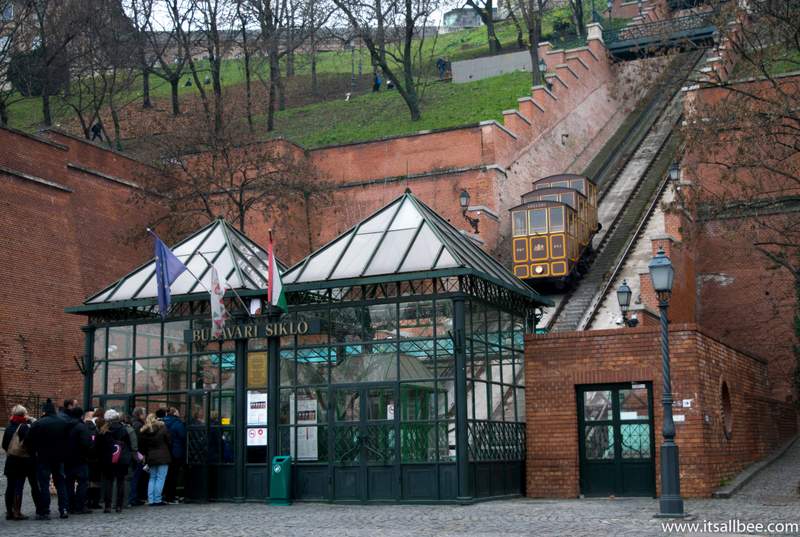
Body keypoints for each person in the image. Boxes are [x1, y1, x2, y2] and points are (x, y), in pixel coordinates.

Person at [27, 398, 69, 520]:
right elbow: (68, 441)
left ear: (44, 411)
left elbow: (29, 442)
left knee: (44, 484)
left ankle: (45, 510)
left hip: (43, 457)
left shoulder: (38, 423)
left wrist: (33, 453)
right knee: (61, 483)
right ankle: (64, 509)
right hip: (59, 457)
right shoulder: (63, 423)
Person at [3, 405, 35, 520]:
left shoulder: (9, 426)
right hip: (21, 461)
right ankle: (17, 512)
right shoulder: (24, 427)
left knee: (10, 486)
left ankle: (9, 512)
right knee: (18, 486)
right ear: (23, 414)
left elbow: (4, 444)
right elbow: (29, 444)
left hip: (10, 460)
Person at [97, 409, 132, 513]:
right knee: (120, 482)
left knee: (108, 482)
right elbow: (128, 445)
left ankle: (107, 506)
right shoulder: (123, 429)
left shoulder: (103, 430)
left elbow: (99, 447)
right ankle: (118, 506)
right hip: (121, 459)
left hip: (108, 460)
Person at [64, 407, 93, 515]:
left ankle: (69, 505)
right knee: (82, 483)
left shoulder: (65, 426)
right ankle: (79, 506)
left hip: (67, 459)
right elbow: (87, 444)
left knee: (69, 483)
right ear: (81, 416)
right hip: (80, 459)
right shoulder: (82, 427)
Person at [138, 414, 171, 506]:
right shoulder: (163, 428)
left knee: (152, 478)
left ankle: (151, 500)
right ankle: (157, 499)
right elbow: (169, 441)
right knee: (161, 478)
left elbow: (142, 446)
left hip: (151, 457)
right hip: (163, 456)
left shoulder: (144, 431)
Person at [161, 407, 186, 503]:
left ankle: (164, 495)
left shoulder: (162, 422)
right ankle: (171, 496)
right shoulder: (177, 423)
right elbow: (183, 436)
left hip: (165, 451)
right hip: (176, 452)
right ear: (175, 413)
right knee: (174, 474)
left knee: (165, 474)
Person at [128, 407, 148, 507]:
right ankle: (133, 498)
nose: (145, 415)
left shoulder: (133, 423)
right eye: (144, 413)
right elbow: (140, 442)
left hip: (135, 454)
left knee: (136, 476)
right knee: (136, 477)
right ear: (140, 414)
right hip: (138, 454)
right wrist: (142, 455)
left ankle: (134, 497)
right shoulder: (139, 425)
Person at [86, 408, 103, 509]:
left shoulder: (84, 428)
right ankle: (95, 502)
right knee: (95, 481)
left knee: (89, 480)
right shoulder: (97, 430)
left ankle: (88, 501)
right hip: (96, 458)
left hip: (87, 458)